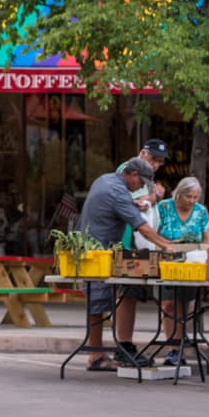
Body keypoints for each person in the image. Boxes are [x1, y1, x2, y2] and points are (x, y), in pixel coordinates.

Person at [78, 157, 176, 372]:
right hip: (98, 251)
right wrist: (166, 246)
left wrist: (134, 204)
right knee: (98, 300)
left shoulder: (105, 180)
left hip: (93, 248)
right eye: (141, 183)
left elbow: (119, 205)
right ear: (132, 175)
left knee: (98, 300)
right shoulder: (116, 191)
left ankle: (98, 352)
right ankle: (96, 356)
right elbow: (141, 226)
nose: (140, 188)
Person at [154, 176, 209, 366]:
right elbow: (152, 232)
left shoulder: (200, 212)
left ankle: (178, 347)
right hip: (166, 261)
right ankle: (173, 346)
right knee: (168, 304)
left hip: (191, 263)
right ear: (179, 193)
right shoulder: (163, 208)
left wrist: (205, 253)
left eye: (196, 197)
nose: (192, 201)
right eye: (188, 196)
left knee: (183, 305)